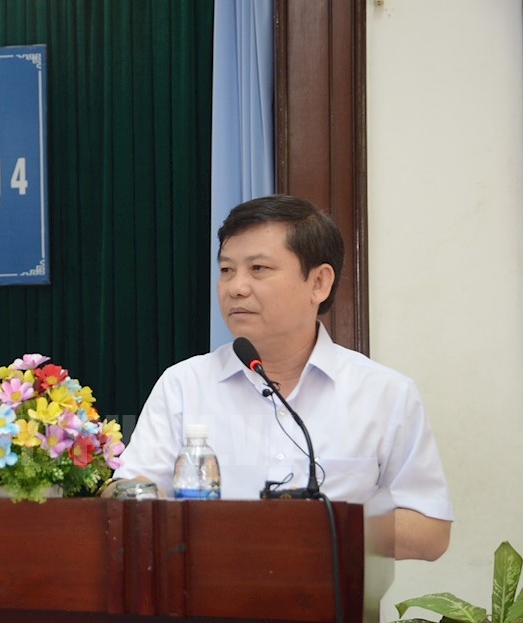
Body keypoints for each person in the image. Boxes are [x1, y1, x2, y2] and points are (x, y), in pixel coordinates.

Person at [107, 194, 453, 561]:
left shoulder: (384, 393)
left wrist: (311, 528)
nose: (236, 287)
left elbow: (430, 531)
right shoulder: (183, 384)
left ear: (319, 283)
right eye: (226, 270)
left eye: (258, 268)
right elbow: (123, 489)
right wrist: (144, 498)